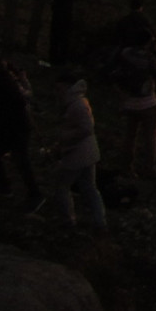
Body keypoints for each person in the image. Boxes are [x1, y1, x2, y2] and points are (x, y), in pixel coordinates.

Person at [49, 70, 106, 232]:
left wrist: (64, 138)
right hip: (86, 153)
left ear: (67, 87)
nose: (57, 93)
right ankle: (99, 221)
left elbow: (85, 129)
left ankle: (68, 220)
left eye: (59, 89)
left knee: (62, 185)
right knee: (89, 187)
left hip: (77, 154)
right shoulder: (76, 103)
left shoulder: (77, 104)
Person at [111, 37, 156, 180]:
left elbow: (115, 74)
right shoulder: (149, 58)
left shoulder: (125, 54)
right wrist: (155, 52)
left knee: (129, 137)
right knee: (150, 138)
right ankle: (149, 168)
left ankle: (127, 167)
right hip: (148, 102)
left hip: (130, 102)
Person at [0, 56, 39, 209]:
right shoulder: (5, 79)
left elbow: (19, 101)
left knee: (22, 160)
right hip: (11, 126)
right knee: (20, 160)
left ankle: (34, 193)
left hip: (15, 127)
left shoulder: (4, 80)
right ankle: (4, 187)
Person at [44, 0, 80, 66]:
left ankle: (53, 58)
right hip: (66, 12)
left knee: (54, 36)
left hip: (56, 11)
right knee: (64, 37)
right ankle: (62, 60)